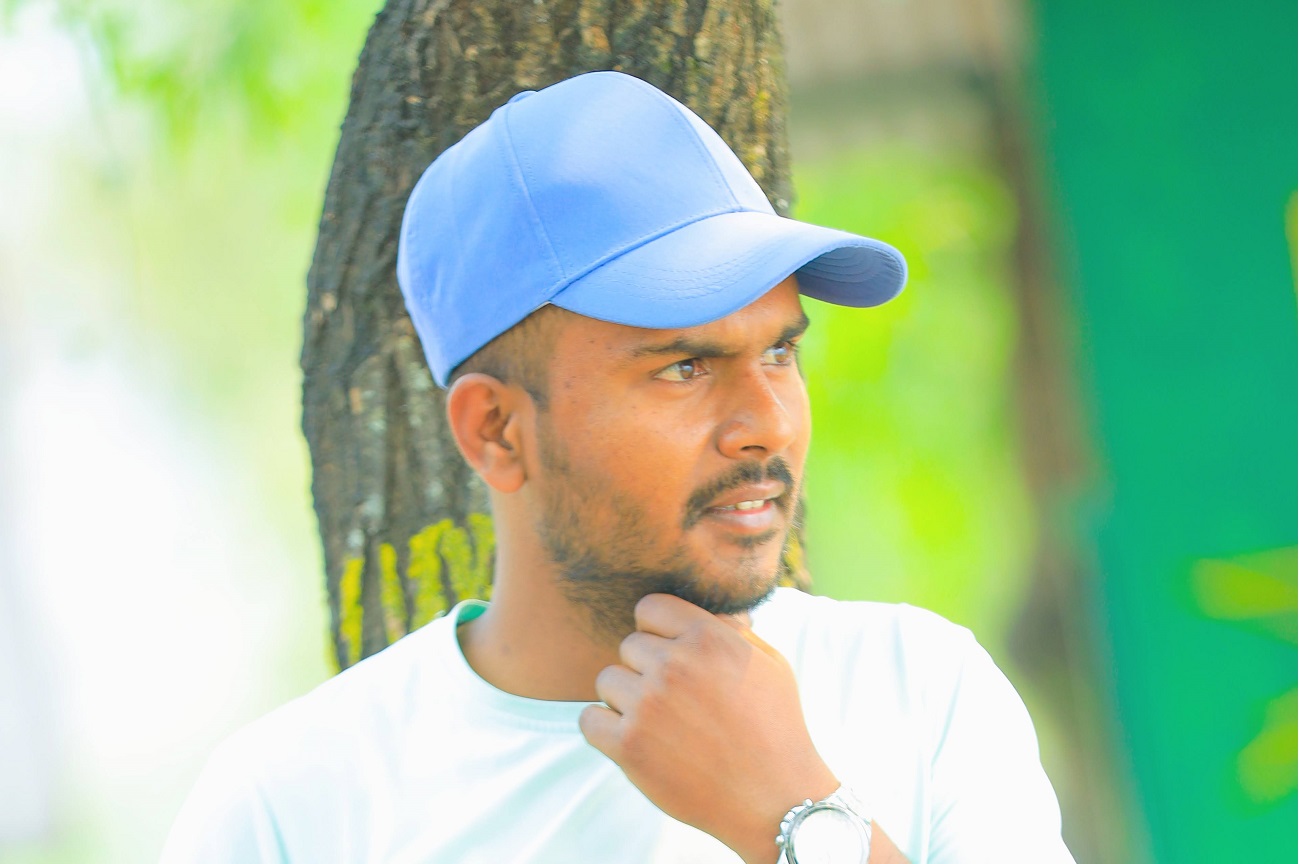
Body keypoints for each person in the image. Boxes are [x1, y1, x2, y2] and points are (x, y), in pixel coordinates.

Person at [162, 71, 1075, 864]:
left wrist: (791, 816)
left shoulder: (919, 690)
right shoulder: (293, 808)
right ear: (496, 432)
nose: (766, 424)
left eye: (779, 353)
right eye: (684, 367)